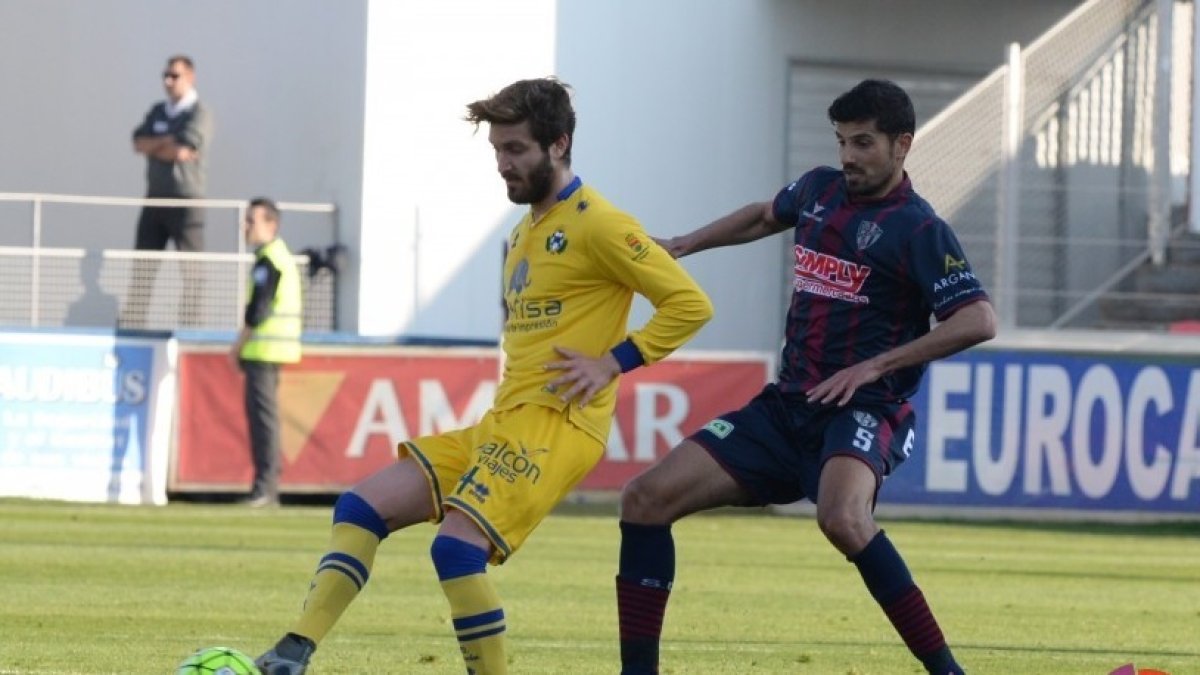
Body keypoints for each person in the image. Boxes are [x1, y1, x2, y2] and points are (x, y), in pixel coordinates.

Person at [254, 77, 714, 675]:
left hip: (558, 425)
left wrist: (613, 361)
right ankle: (292, 652)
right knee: (361, 507)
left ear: (559, 144)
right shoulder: (523, 233)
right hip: (503, 420)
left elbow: (690, 304)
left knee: (456, 550)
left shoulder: (600, 223)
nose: (503, 164)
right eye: (498, 150)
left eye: (516, 149)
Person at [615, 79, 996, 675]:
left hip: (865, 409)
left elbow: (978, 319)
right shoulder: (820, 189)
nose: (848, 157)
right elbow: (766, 215)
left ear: (902, 145)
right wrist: (687, 244)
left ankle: (949, 672)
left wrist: (877, 364)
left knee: (842, 518)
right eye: (842, 141)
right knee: (643, 499)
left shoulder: (920, 230)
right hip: (785, 409)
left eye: (863, 143)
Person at [121, 54, 213, 329]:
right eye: (166, 75)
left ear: (190, 77)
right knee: (143, 266)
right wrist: (167, 141)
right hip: (155, 198)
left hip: (186, 200)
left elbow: (185, 151)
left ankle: (189, 329)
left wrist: (159, 146)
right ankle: (134, 325)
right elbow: (138, 143)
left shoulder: (199, 113)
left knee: (191, 272)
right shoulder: (158, 112)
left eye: (175, 76)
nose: (168, 81)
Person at [229, 198, 302, 508]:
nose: (245, 227)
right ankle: (265, 486)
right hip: (273, 349)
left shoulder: (270, 259)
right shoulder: (277, 257)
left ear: (271, 225)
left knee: (264, 422)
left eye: (251, 221)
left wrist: (238, 345)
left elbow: (257, 310)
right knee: (264, 420)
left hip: (265, 350)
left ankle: (265, 488)